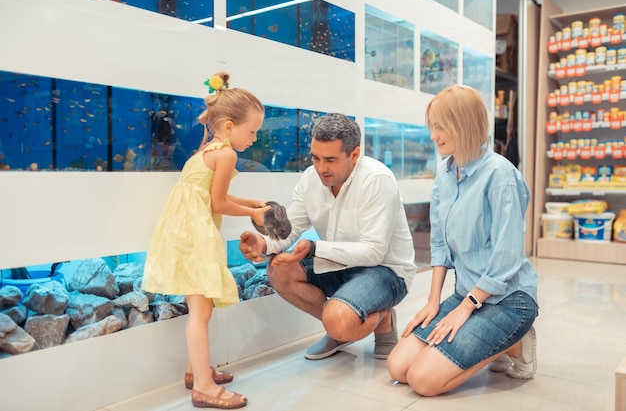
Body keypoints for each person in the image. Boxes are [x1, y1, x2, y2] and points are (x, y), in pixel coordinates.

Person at [386, 84, 539, 397]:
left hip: (508, 300)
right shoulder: (445, 171)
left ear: (463, 124)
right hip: (467, 293)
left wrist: (467, 307)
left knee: (423, 380)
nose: (433, 135)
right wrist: (433, 302)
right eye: (432, 126)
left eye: (440, 126)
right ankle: (485, 342)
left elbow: (507, 257)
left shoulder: (500, 175)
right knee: (398, 367)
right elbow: (440, 244)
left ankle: (514, 344)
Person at [239, 113, 417, 360]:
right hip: (338, 264)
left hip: (385, 270)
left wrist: (314, 248)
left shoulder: (377, 180)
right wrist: (264, 243)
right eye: (315, 158)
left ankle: (377, 317)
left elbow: (373, 252)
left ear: (354, 155)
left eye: (331, 160)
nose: (321, 168)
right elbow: (290, 229)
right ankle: (338, 322)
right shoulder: (310, 178)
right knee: (279, 269)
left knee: (339, 320)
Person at [142, 71, 270, 409]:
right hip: (195, 235)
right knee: (201, 311)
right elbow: (218, 203)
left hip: (184, 232)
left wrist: (252, 203)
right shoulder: (226, 155)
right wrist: (253, 214)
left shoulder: (208, 150)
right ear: (229, 127)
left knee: (202, 308)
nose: (255, 138)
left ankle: (193, 371)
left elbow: (213, 196)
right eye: (252, 131)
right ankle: (203, 386)